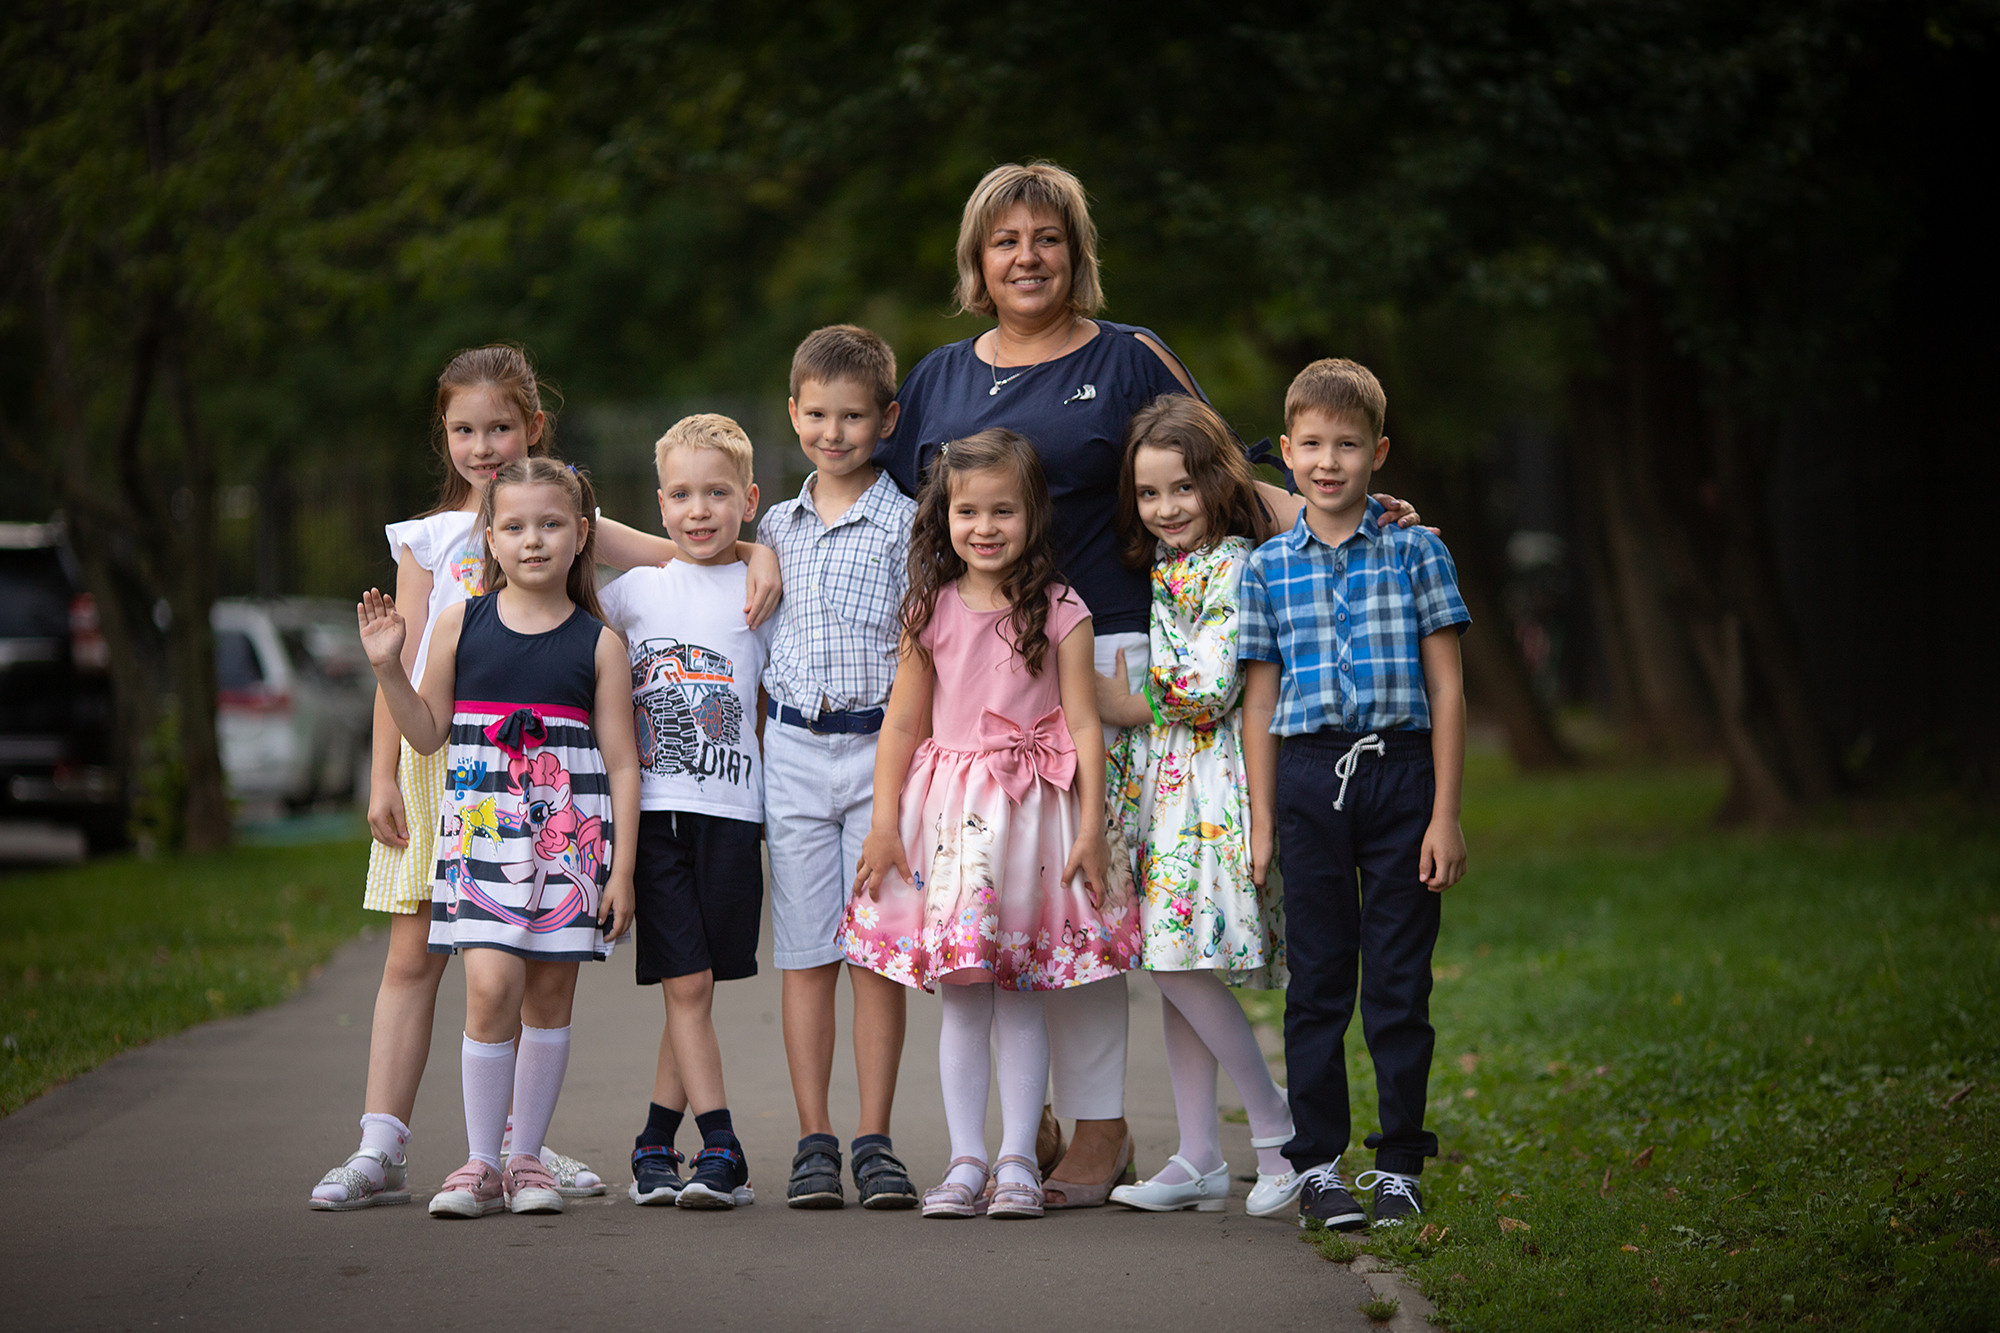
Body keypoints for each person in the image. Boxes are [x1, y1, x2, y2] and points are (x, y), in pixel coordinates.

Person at [874, 161, 1420, 1206]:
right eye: (1004, 241)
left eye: (1046, 237)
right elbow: (885, 506)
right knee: (1057, 904)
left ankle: (1144, 1137)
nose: (1025, 257)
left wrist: (1342, 518)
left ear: (1077, 253)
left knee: (1120, 909)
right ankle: (1094, 1131)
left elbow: (1216, 470)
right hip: (991, 685)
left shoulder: (1126, 358)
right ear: (975, 262)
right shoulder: (938, 378)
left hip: (1126, 656)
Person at [310, 345, 777, 1211]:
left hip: (564, 801)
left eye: (499, 426)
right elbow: (409, 677)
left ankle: (523, 1150)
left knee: (543, 977)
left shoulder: (579, 558)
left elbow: (684, 549)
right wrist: (382, 771)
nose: (482, 445)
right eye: (463, 428)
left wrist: (762, 551)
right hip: (453, 781)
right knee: (433, 964)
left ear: (534, 429)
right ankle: (393, 1143)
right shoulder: (434, 550)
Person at [844, 430, 1137, 1221]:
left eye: (1002, 509)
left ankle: (1016, 1156)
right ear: (944, 519)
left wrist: (1090, 829)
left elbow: (1083, 726)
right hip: (950, 822)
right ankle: (966, 1157)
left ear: (1032, 515)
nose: (984, 526)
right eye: (967, 510)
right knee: (966, 993)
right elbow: (901, 726)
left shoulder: (1062, 610)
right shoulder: (929, 609)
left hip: (1032, 821)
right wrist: (882, 825)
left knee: (1021, 989)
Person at [355, 457, 639, 1219]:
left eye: (551, 525)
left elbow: (621, 765)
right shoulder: (460, 623)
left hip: (569, 854)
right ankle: (480, 1160)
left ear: (581, 536)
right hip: (481, 849)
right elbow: (426, 732)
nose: (533, 540)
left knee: (548, 998)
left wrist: (622, 872)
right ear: (490, 538)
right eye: (514, 526)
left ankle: (525, 1161)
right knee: (489, 988)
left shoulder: (598, 644)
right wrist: (389, 671)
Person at [1239, 359, 1470, 1230]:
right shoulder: (1266, 568)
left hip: (1404, 777)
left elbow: (1448, 688)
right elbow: (1260, 698)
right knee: (1320, 980)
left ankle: (1402, 1160)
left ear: (1377, 453)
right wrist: (1263, 818)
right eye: (1311, 444)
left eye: (1346, 444)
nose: (1328, 461)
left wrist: (1444, 813)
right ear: (1287, 455)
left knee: (1400, 982)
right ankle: (1318, 1165)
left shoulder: (1418, 550)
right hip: (1307, 781)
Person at [1093, 395, 1302, 1218]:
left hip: (1214, 786)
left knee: (1180, 959)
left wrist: (1126, 702)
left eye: (1182, 488)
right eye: (1150, 495)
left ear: (1217, 482)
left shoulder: (1237, 565)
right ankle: (1198, 1153)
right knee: (1174, 963)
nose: (1167, 508)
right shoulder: (1171, 566)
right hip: (1170, 784)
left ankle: (1277, 1126)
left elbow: (1214, 686)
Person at [597, 414, 775, 1211]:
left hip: (735, 814)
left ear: (749, 499)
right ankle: (724, 1146)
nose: (699, 509)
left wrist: (762, 551)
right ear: (658, 504)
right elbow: (570, 531)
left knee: (692, 988)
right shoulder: (633, 593)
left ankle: (650, 1144)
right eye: (680, 494)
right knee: (691, 982)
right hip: (660, 813)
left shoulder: (763, 587)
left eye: (717, 493)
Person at [761, 326, 920, 1209]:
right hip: (790, 751)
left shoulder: (909, 523)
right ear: (793, 414)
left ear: (886, 419)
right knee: (807, 952)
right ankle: (813, 1137)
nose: (833, 431)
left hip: (875, 758)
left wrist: (894, 795)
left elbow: (916, 654)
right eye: (817, 414)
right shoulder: (773, 527)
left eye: (853, 416)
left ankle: (874, 1138)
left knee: (877, 956)